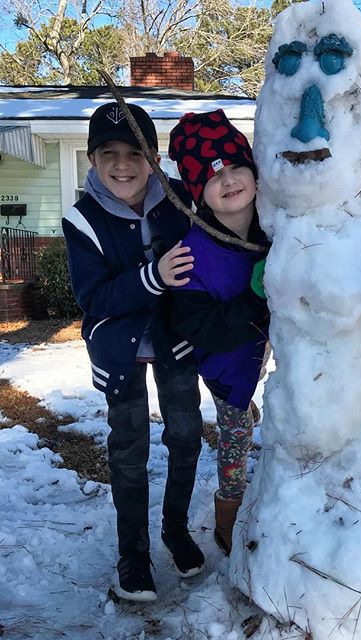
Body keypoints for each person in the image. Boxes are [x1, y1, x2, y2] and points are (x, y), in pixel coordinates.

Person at [62, 102, 205, 603]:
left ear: (154, 159)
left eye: (135, 154)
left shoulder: (180, 201)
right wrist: (153, 278)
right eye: (110, 154)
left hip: (174, 341)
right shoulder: (82, 218)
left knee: (186, 437)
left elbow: (202, 267)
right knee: (129, 451)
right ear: (91, 158)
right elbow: (94, 298)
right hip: (119, 351)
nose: (123, 165)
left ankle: (175, 529)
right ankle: (134, 553)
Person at [168, 110, 270, 556]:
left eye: (235, 167)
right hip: (224, 367)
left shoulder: (273, 229)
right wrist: (254, 296)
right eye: (213, 177)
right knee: (235, 446)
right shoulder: (194, 253)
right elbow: (203, 330)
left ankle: (249, 408)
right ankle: (228, 515)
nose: (228, 181)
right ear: (199, 193)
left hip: (261, 351)